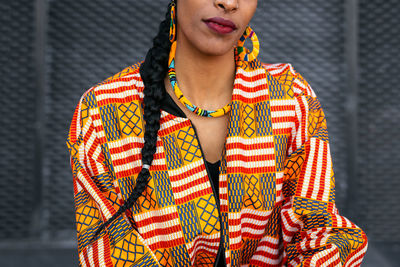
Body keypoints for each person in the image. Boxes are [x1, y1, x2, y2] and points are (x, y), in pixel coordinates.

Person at [66, 0, 368, 266]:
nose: (228, 3)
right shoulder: (103, 111)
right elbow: (105, 246)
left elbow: (317, 224)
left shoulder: (290, 99)